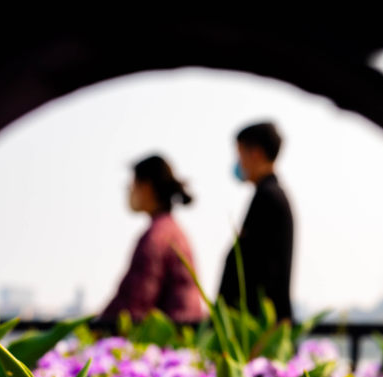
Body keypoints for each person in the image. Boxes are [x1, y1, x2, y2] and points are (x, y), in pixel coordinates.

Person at [101, 155, 205, 323]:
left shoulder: (156, 237)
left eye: (131, 186)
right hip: (185, 331)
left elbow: (135, 300)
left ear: (146, 187)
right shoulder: (173, 230)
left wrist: (99, 324)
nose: (130, 193)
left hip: (169, 337)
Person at [218, 121, 294, 321]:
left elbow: (261, 269)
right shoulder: (269, 194)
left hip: (258, 324)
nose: (238, 162)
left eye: (240, 153)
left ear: (256, 153)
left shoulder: (268, 198)